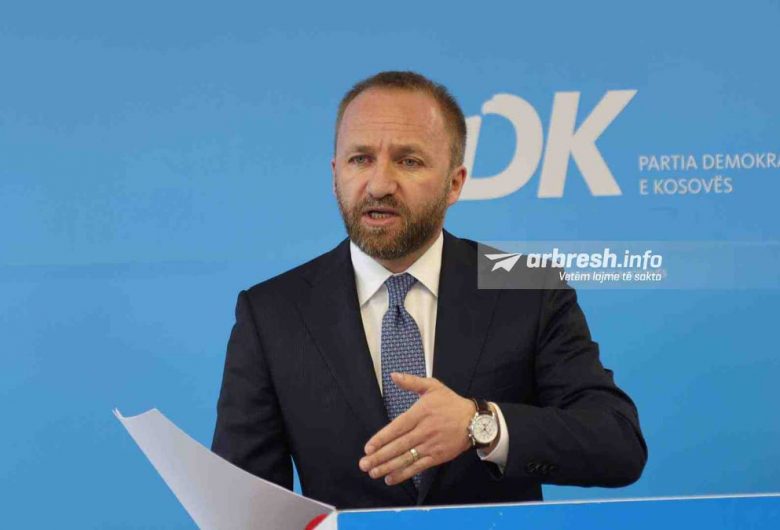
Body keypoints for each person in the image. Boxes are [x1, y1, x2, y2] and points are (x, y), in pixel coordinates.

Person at [211, 71, 647, 509]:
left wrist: (482, 424)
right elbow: (244, 505)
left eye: (409, 161)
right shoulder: (272, 312)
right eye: (360, 159)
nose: (379, 185)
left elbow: (617, 443)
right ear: (335, 173)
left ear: (454, 183)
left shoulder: (527, 285)